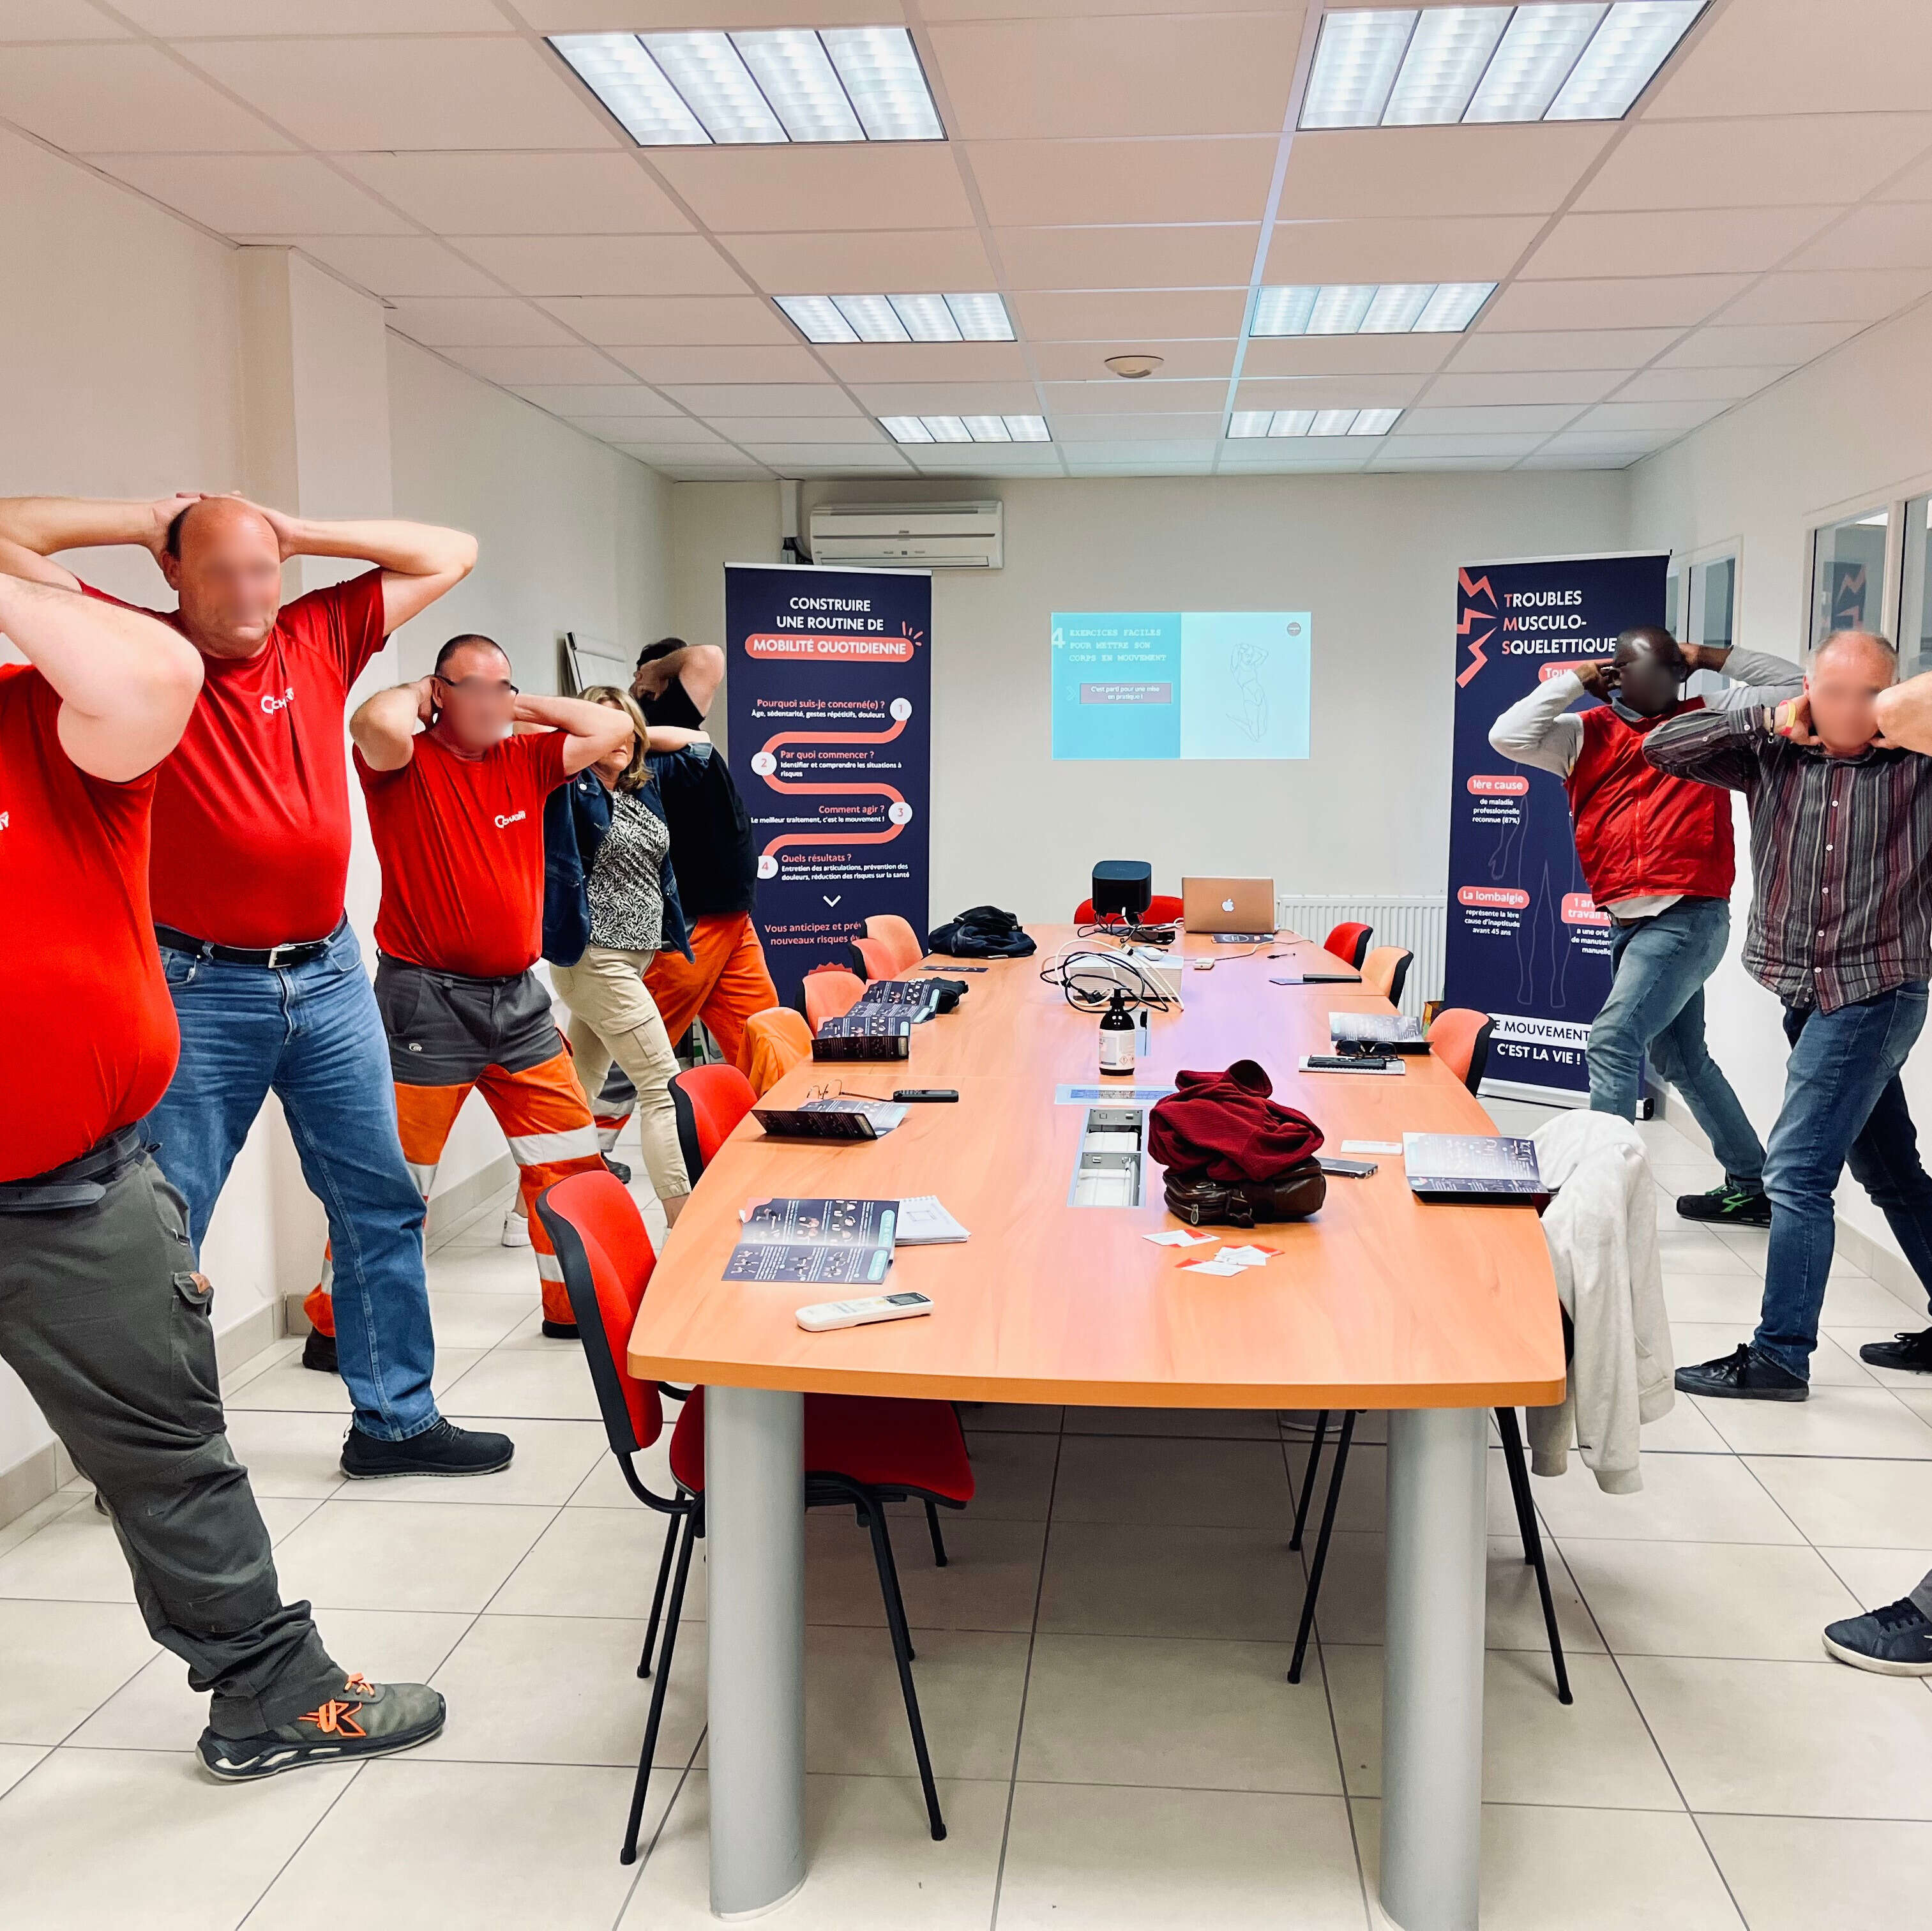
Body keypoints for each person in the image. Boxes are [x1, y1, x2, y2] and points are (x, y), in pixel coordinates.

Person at [0, 570, 445, 1780]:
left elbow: (157, 671)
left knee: (170, 1454)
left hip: (66, 1196)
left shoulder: (47, 719)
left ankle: (271, 1693)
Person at [0, 491, 507, 1478]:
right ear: (173, 573)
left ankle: (395, 1423)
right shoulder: (143, 654)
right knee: (163, 1227)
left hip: (329, 975)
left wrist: (292, 531)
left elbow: (452, 547)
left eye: (261, 569)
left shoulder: (319, 633)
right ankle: (165, 1461)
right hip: (197, 983)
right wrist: (146, 517)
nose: (246, 592)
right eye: (221, 570)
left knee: (379, 1203)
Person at [301, 637, 631, 1359]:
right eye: (472, 688)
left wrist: (508, 702)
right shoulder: (404, 762)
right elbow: (372, 721)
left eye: (502, 687)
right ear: (438, 693)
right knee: (395, 1184)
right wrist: (423, 694)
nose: (493, 702)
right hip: (426, 1001)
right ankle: (335, 1326)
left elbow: (613, 729)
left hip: (519, 1003)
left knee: (570, 1159)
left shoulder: (525, 759)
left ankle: (570, 1308)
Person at [1647, 630, 1932, 1401]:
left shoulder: (1918, 764)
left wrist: (1906, 716)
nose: (1848, 711)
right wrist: (1765, 719)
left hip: (1874, 991)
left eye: (1868, 695)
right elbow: (1661, 749)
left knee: (1795, 1172)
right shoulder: (1770, 752)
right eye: (1832, 693)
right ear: (1807, 692)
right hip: (1803, 992)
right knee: (1889, 1170)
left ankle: (1778, 1358)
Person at [1488, 626, 1800, 1223]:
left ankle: (1603, 1201)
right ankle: (1752, 1184)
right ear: (1616, 677)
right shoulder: (1583, 734)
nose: (1663, 685)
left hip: (1687, 916)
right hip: (1628, 922)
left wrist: (1712, 657)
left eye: (1672, 672)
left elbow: (1796, 685)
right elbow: (1507, 735)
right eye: (1646, 674)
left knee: (1612, 1039)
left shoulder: (1708, 719)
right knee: (1682, 1060)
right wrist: (1575, 680)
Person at [544, 686, 701, 1232]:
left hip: (633, 958)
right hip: (594, 958)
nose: (620, 738)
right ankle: (685, 1224)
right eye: (604, 727)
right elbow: (526, 735)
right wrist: (586, 734)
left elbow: (698, 741)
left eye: (627, 728)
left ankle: (529, 1213)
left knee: (581, 1088)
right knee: (663, 1086)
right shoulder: (569, 789)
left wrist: (628, 733)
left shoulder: (638, 792)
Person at [630, 636, 778, 1065]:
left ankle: (787, 1106)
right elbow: (708, 658)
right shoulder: (653, 719)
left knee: (767, 1040)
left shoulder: (671, 730)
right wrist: (655, 673)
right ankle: (590, 1111)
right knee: (637, 1052)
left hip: (730, 915)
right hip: (696, 919)